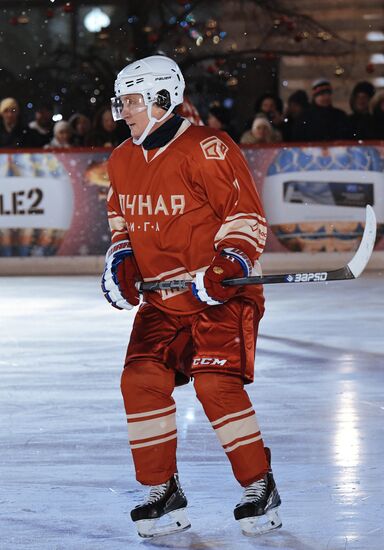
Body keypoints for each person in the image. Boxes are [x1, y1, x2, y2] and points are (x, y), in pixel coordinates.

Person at [101, 55, 281, 539]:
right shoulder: (120, 159)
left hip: (221, 295)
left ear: (162, 98)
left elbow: (246, 216)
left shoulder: (209, 148)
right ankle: (163, 491)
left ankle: (259, 485)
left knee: (214, 385)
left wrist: (226, 266)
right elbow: (121, 226)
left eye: (132, 101)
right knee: (139, 380)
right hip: (164, 302)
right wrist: (123, 263)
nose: (124, 112)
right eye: (121, 103)